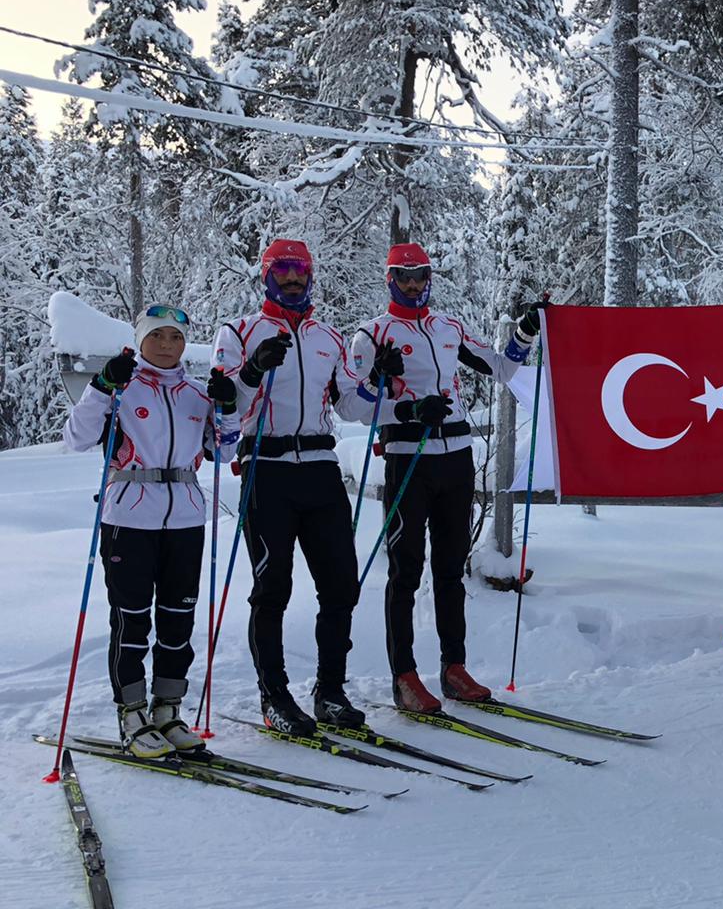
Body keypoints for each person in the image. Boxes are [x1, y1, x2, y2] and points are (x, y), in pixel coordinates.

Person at [212, 239, 445, 734]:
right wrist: (253, 370)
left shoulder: (327, 338)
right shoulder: (238, 331)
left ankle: (329, 691)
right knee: (272, 586)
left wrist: (384, 387)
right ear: (267, 275)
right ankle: (273, 696)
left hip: (320, 464)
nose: (293, 279)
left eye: (301, 270)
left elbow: (352, 408)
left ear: (311, 275)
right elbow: (226, 404)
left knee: (340, 584)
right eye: (284, 270)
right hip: (267, 465)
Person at [348, 243, 539, 714]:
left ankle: (454, 668)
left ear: (430, 277)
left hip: (455, 458)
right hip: (408, 457)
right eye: (403, 277)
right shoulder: (372, 334)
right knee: (406, 570)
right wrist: (404, 404)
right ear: (389, 279)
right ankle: (404, 675)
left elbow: (504, 367)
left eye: (419, 276)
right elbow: (353, 406)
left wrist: (527, 331)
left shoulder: (447, 327)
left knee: (450, 570)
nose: (412, 285)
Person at [63, 306, 240, 758]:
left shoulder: (196, 394)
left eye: (175, 337)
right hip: (128, 518)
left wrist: (228, 407)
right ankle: (132, 712)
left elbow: (222, 452)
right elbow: (77, 438)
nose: (166, 345)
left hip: (184, 518)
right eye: (157, 336)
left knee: (179, 620)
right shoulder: (123, 387)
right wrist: (101, 388)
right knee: (132, 620)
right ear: (140, 340)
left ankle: (168, 709)